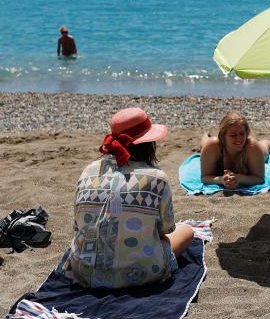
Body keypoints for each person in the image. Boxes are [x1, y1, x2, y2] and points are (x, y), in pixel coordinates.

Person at [64, 107, 193, 289]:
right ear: (148, 144)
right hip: (141, 274)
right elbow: (166, 230)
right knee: (187, 231)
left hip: (84, 273)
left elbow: (77, 226)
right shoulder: (157, 178)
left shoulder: (88, 171)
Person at [199, 111, 270, 189]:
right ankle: (205, 135)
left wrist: (238, 178)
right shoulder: (213, 145)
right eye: (233, 135)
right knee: (205, 145)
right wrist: (221, 180)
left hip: (253, 150)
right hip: (216, 145)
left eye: (242, 134)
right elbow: (205, 177)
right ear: (223, 136)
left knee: (264, 147)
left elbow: (259, 178)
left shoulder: (252, 146)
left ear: (246, 133)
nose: (239, 139)